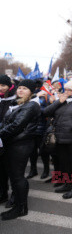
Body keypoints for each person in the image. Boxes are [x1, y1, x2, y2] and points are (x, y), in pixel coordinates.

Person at [0, 79, 41, 220]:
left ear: (31, 91)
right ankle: (18, 204)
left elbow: (15, 125)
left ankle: (21, 207)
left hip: (20, 146)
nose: (20, 90)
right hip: (12, 144)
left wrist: (0, 134)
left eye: (24, 88)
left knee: (17, 177)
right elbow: (5, 123)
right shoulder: (18, 104)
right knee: (13, 176)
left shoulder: (31, 105)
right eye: (19, 88)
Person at [43, 80, 72, 199]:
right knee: (64, 162)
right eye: (66, 89)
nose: (67, 92)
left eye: (70, 90)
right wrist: (58, 102)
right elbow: (46, 112)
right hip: (60, 136)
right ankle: (67, 183)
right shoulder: (61, 101)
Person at [0, 75, 16, 205]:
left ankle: (15, 197)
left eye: (3, 85)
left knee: (12, 170)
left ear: (9, 86)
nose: (1, 88)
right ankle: (3, 193)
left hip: (11, 140)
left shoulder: (15, 100)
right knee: (1, 171)